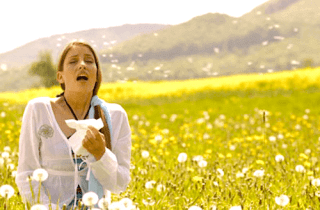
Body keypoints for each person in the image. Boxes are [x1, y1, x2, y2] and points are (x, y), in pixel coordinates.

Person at [15, 40, 132, 209]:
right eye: (73, 61)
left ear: (97, 74)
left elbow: (119, 184)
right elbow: (27, 174)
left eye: (89, 61)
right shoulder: (38, 110)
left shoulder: (115, 116)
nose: (82, 65)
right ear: (60, 76)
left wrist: (102, 155)